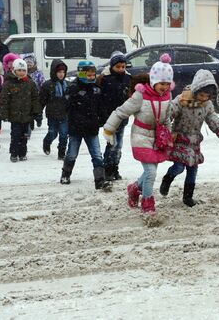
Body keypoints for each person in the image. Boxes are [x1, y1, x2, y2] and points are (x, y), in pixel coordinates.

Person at [103, 53, 173, 216]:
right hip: (140, 137)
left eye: (167, 83)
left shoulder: (167, 96)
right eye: (161, 83)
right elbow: (120, 112)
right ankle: (147, 204)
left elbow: (167, 118)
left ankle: (134, 188)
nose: (164, 87)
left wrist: (168, 136)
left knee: (150, 171)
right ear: (154, 81)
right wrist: (109, 129)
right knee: (151, 172)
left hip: (157, 139)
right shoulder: (140, 96)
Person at [160, 69, 219, 207]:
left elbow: (214, 121)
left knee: (193, 170)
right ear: (195, 90)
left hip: (194, 142)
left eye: (207, 96)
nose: (203, 98)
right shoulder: (182, 100)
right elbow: (168, 114)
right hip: (179, 139)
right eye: (201, 95)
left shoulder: (207, 106)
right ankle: (168, 178)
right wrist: (164, 131)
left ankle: (188, 197)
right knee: (179, 167)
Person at [59, 61, 110, 191]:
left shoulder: (96, 90)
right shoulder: (73, 88)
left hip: (91, 129)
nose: (91, 77)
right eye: (88, 75)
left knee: (97, 155)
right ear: (81, 73)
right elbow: (65, 106)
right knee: (72, 154)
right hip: (76, 129)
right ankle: (65, 174)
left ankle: (100, 180)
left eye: (93, 75)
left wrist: (102, 120)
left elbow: (102, 108)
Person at [0, 58, 41, 162]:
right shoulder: (9, 84)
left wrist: (37, 113)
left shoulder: (30, 83)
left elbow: (35, 99)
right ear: (14, 70)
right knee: (15, 135)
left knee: (24, 136)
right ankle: (14, 153)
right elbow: (4, 99)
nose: (21, 73)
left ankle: (22, 153)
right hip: (15, 116)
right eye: (19, 70)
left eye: (24, 70)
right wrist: (4, 113)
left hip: (27, 115)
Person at [99, 51, 131, 181]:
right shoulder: (105, 79)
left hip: (122, 117)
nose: (121, 69)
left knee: (119, 145)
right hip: (110, 117)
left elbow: (130, 97)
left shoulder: (128, 79)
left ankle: (115, 168)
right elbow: (101, 99)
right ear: (112, 66)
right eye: (118, 67)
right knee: (112, 144)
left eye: (123, 67)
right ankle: (107, 169)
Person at [40, 59, 69, 160]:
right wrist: (38, 113)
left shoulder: (67, 85)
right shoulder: (47, 85)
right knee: (52, 132)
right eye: (59, 72)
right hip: (52, 114)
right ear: (54, 72)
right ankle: (47, 142)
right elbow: (42, 101)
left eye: (63, 72)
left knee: (64, 134)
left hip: (65, 114)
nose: (61, 74)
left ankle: (61, 152)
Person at [22, 53, 44, 129]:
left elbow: (42, 82)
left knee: (37, 109)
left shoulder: (38, 73)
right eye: (27, 63)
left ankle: (39, 119)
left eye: (31, 63)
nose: (29, 65)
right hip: (26, 96)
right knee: (29, 111)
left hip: (37, 95)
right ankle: (31, 124)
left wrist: (42, 90)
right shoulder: (23, 73)